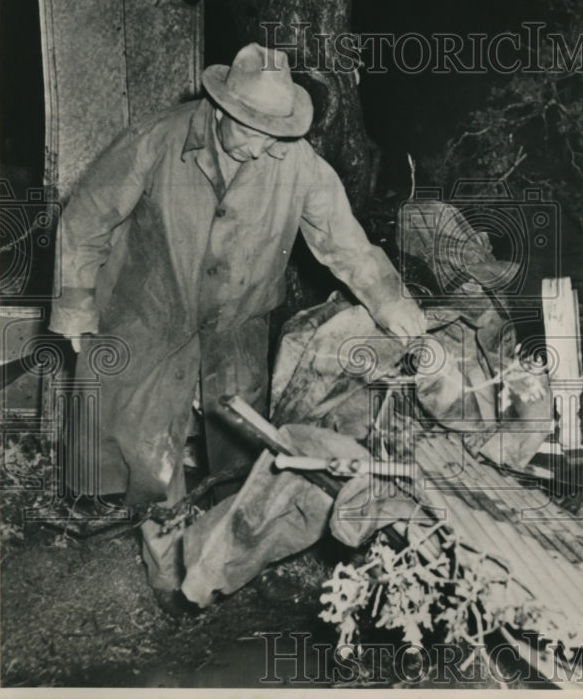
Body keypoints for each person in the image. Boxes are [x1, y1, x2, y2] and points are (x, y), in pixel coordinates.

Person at [49, 43, 427, 614]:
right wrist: (77, 307)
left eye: (275, 133)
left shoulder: (294, 162)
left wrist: (393, 302)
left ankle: (227, 559)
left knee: (243, 455)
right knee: (152, 455)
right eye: (252, 130)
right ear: (221, 109)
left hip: (236, 325)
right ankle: (169, 575)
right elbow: (86, 218)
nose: (262, 147)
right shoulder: (159, 139)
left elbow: (347, 246)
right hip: (151, 314)